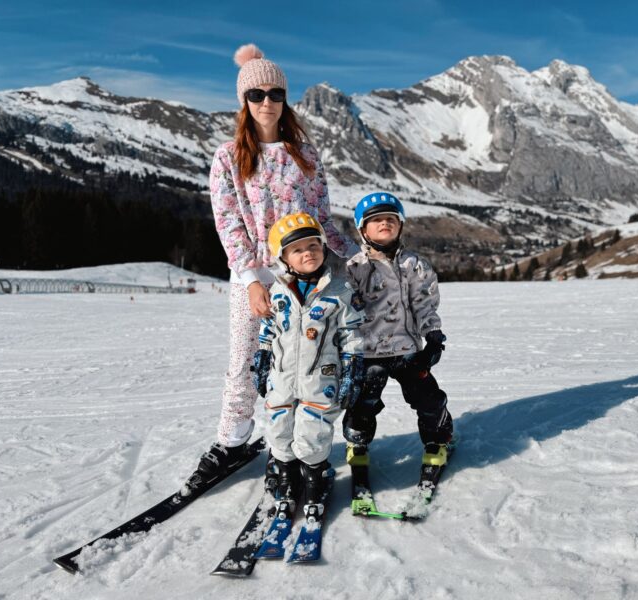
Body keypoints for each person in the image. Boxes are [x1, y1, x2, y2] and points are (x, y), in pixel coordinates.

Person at [181, 44, 358, 495]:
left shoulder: (305, 154)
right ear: (243, 101)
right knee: (244, 362)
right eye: (255, 94)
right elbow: (229, 223)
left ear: (285, 99)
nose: (266, 102)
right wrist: (252, 280)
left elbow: (321, 218)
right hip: (255, 280)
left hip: (306, 280)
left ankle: (301, 447)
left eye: (275, 93)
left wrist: (356, 258)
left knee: (305, 365)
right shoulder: (228, 157)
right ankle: (232, 441)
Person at [252, 213, 365, 511]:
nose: (308, 253)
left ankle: (315, 477)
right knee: (279, 429)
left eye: (314, 245)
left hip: (320, 379)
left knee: (313, 433)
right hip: (282, 378)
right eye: (298, 249)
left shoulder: (339, 291)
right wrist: (262, 355)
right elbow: (269, 329)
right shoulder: (277, 292)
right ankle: (287, 475)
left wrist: (353, 366)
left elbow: (351, 333)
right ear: (284, 258)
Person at [342, 192, 453, 474]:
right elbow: (343, 312)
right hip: (367, 353)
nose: (385, 224)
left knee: (428, 398)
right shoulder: (354, 268)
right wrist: (344, 349)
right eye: (376, 220)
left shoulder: (414, 265)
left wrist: (434, 335)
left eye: (391, 219)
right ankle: (358, 441)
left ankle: (438, 440)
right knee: (362, 403)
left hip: (408, 350)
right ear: (362, 229)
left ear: (400, 225)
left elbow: (425, 304)